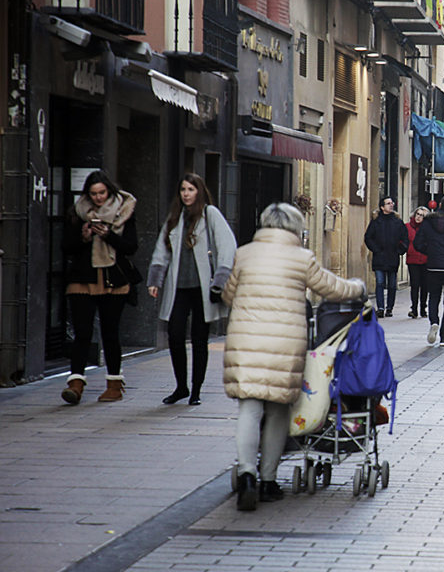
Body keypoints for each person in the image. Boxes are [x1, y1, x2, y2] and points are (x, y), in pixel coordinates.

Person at [222, 203, 365, 511]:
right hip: (284, 346)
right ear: (295, 228)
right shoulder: (301, 258)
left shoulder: (244, 254)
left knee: (249, 409)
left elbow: (228, 295)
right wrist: (356, 287)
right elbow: (330, 287)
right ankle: (268, 481)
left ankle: (247, 473)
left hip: (245, 342)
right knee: (276, 411)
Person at [148, 173, 237, 406]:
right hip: (178, 287)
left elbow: (227, 245)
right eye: (183, 190)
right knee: (175, 335)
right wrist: (155, 279)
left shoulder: (210, 214)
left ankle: (196, 390)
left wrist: (221, 279)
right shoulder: (175, 218)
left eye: (191, 189)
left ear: (199, 191)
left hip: (204, 288)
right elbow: (161, 250)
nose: (186, 194)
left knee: (199, 339)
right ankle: (181, 386)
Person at [60, 170, 139, 405]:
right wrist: (83, 237)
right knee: (82, 332)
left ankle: (114, 385)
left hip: (113, 279)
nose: (98, 198)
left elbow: (131, 247)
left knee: (110, 332)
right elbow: (66, 246)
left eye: (102, 193)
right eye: (93, 194)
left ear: (109, 190)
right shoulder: (77, 212)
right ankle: (75, 384)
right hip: (82, 278)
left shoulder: (124, 211)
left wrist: (108, 236)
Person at [414, 194, 444, 347]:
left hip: (433, 265)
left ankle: (434, 322)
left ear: (439, 205)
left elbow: (417, 243)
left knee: (433, 297)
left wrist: (430, 252)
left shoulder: (428, 223)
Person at [363, 197, 408, 318]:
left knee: (392, 285)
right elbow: (368, 237)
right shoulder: (376, 221)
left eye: (392, 203)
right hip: (379, 257)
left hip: (393, 257)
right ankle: (381, 308)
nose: (391, 205)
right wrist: (376, 249)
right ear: (382, 207)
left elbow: (405, 238)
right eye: (388, 203)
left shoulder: (397, 221)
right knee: (380, 283)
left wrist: (400, 250)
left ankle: (389, 308)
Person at [405, 206, 429, 318]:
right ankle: (414, 308)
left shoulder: (427, 228)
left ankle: (423, 307)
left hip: (425, 259)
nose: (419, 217)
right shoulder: (407, 227)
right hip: (413, 259)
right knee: (415, 285)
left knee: (425, 285)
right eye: (418, 214)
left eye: (422, 216)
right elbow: (403, 240)